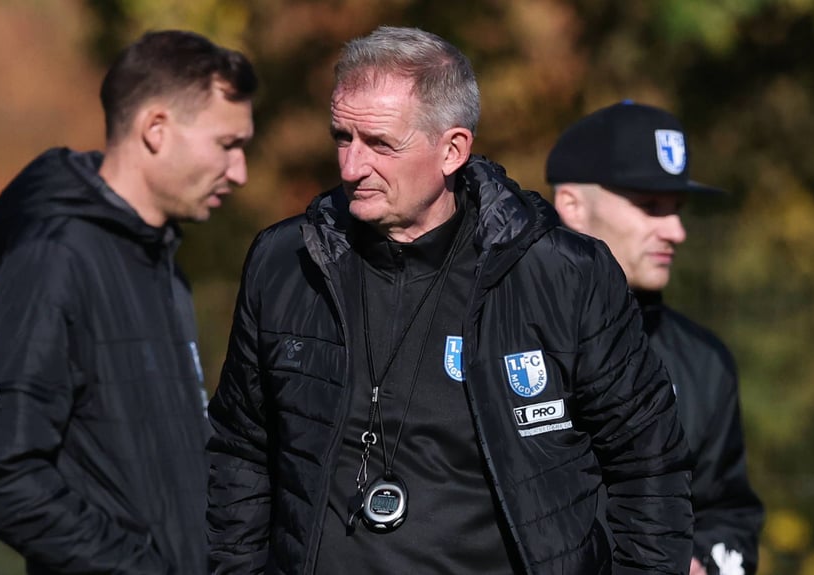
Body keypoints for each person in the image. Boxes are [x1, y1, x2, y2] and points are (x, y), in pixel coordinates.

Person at [206, 26, 692, 575]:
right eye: (342, 137)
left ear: (453, 149)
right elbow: (240, 451)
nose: (351, 166)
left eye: (380, 144)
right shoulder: (285, 261)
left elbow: (648, 464)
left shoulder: (562, 274)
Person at [0, 30, 256, 575]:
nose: (239, 172)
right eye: (227, 145)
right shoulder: (55, 258)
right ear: (156, 130)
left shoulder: (162, 266)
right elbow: (1, 477)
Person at [546, 101, 765, 575]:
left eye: (677, 210)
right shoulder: (494, 338)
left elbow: (728, 514)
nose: (677, 231)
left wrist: (705, 561)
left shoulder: (705, 361)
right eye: (650, 207)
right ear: (572, 206)